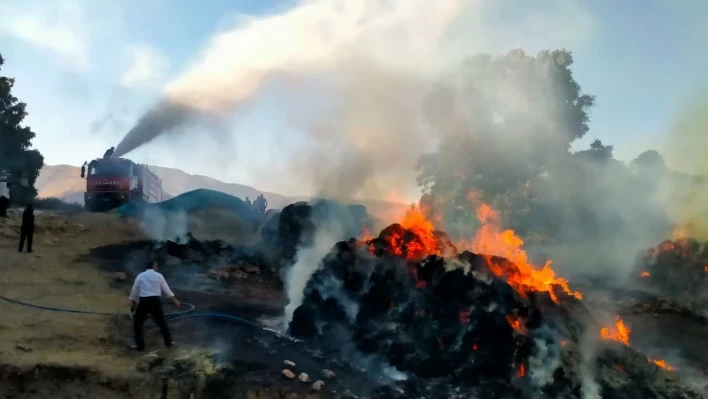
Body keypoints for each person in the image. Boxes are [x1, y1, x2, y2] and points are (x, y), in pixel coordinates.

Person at [129, 261, 180, 351]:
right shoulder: (159, 276)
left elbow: (134, 291)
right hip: (155, 301)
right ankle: (168, 343)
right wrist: (174, 300)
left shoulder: (140, 276)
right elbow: (166, 289)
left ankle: (140, 346)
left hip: (144, 301)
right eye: (156, 266)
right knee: (162, 323)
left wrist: (134, 304)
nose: (157, 267)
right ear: (153, 266)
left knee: (138, 324)